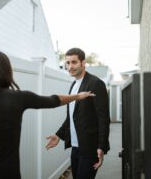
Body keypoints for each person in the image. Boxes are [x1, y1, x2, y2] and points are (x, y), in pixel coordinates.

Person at [0, 50, 95, 179]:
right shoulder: (18, 98)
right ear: (5, 70)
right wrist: (76, 96)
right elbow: (54, 100)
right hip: (8, 173)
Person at [46, 48, 110, 179]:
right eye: (68, 63)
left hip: (90, 148)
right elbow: (72, 116)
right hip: (75, 147)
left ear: (83, 62)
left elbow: (103, 118)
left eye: (74, 62)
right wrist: (59, 135)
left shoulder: (96, 83)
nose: (70, 66)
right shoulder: (74, 85)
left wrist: (101, 146)